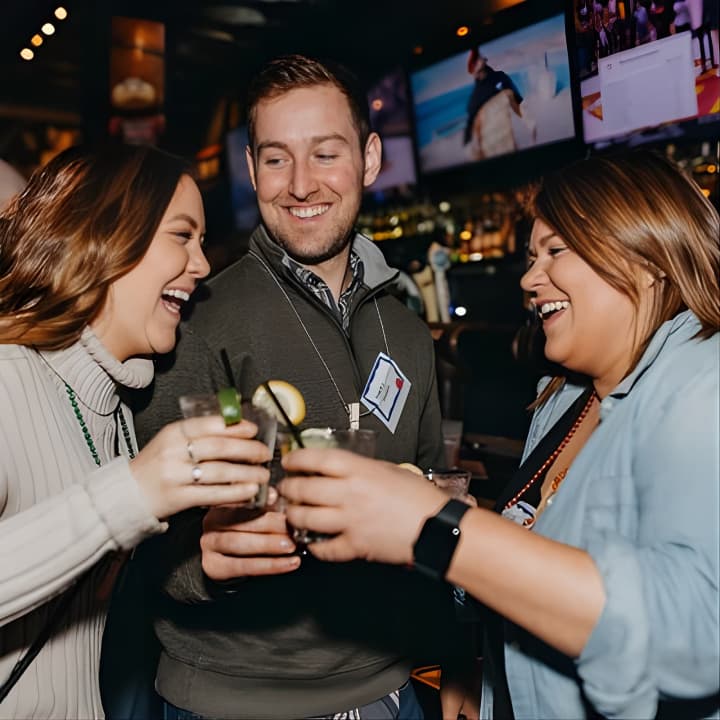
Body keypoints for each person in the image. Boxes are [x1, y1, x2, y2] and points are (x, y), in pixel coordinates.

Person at [279, 150, 720, 720]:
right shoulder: (561, 401)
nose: (530, 279)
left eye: (555, 251)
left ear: (648, 257)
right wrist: (469, 655)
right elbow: (540, 571)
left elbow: (692, 631)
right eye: (532, 257)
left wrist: (437, 528)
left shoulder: (701, 383)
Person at [131, 54, 458, 720]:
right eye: (277, 159)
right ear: (252, 171)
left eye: (325, 154)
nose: (301, 184)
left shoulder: (406, 329)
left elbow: (427, 487)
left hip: (391, 688)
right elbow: (136, 534)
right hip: (233, 701)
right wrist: (200, 558)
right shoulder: (194, 320)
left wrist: (454, 653)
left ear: (370, 159)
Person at [0, 144, 272, 720]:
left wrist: (206, 552)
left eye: (202, 241)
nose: (202, 265)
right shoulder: (7, 380)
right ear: (102, 235)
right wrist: (131, 493)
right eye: (182, 236)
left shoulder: (117, 408)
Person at [463, 48, 534, 160]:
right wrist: (471, 151)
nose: (479, 60)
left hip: (512, 138)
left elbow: (518, 99)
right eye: (474, 60)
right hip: (492, 148)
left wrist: (529, 121)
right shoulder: (475, 98)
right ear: (473, 70)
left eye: (478, 57)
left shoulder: (500, 77)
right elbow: (470, 126)